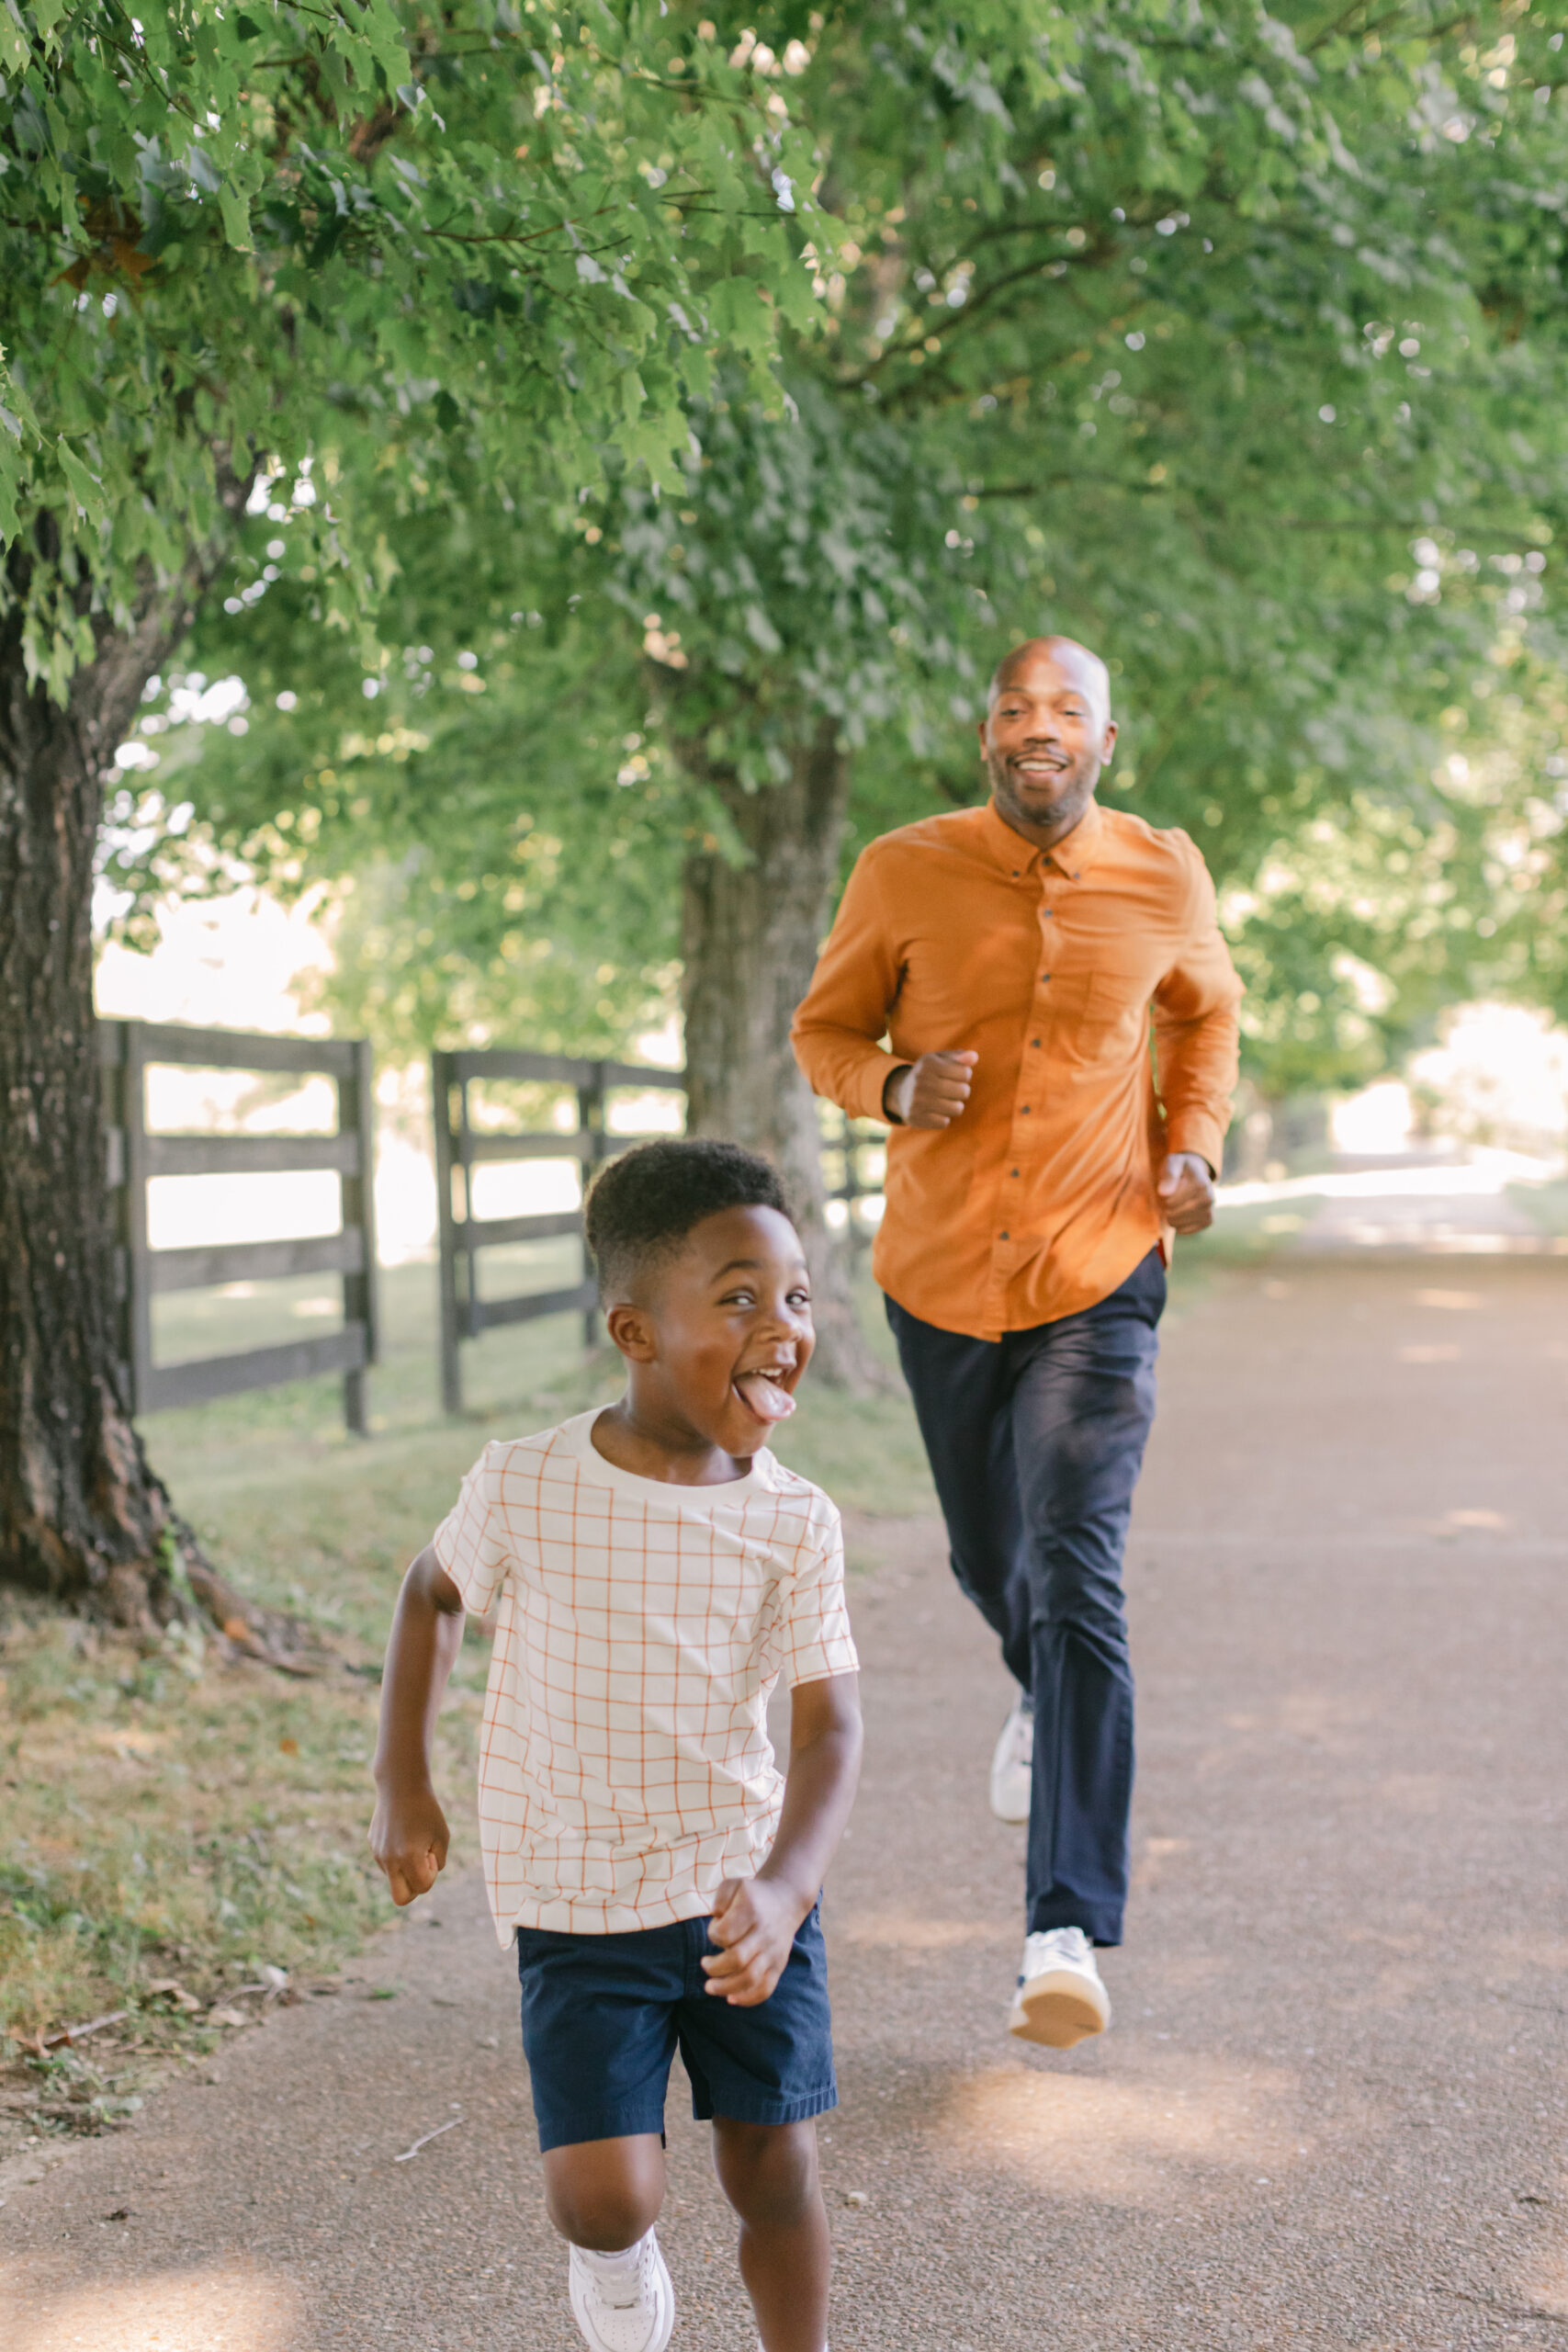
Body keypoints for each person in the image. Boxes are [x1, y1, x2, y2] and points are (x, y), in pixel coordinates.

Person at [792, 635, 1240, 2051]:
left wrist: (1194, 1149)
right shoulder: (903, 870)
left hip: (1100, 1272)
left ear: (1109, 739)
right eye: (1012, 710)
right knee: (994, 1562)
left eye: (1066, 710)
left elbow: (1209, 1015)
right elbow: (822, 1031)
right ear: (988, 739)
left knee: (1079, 1567)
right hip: (937, 1280)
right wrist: (891, 1082)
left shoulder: (1164, 872)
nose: (1037, 727)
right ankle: (1033, 1692)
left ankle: (1064, 1929)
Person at [369, 1139, 862, 2352]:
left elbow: (831, 1720)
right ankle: (621, 2264)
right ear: (635, 1332)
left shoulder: (793, 1520)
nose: (781, 1326)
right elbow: (430, 1594)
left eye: (795, 1297)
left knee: (773, 2166)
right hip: (577, 1893)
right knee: (602, 2198)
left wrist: (792, 1886)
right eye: (738, 1297)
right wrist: (404, 1783)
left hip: (740, 1889)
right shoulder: (528, 1485)